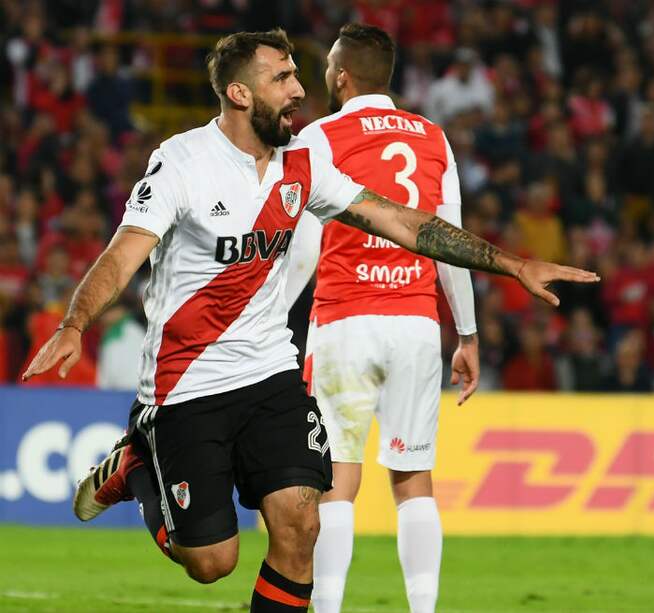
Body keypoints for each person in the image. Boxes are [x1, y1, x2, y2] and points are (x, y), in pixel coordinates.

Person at [22, 29, 598, 613]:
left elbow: (402, 221)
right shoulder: (183, 161)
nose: (300, 89)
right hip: (186, 382)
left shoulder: (304, 161)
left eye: (298, 74)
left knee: (301, 529)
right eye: (283, 78)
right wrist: (76, 324)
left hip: (271, 372)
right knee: (211, 563)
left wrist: (513, 264)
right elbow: (123, 253)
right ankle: (139, 465)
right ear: (241, 94)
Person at [283, 23, 477, 613]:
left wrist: (271, 319)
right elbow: (451, 242)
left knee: (337, 478)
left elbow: (304, 245)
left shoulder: (319, 136)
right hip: (416, 323)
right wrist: (466, 334)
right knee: (413, 479)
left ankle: (331, 607)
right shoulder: (433, 137)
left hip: (345, 320)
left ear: (341, 76)